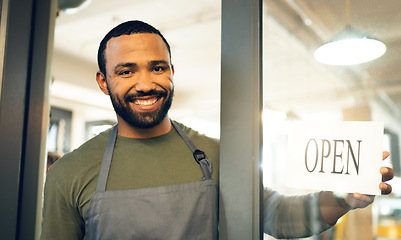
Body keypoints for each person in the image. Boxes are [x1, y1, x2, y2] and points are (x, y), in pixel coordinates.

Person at [40, 20, 394, 240]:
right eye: (126, 71)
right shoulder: (69, 174)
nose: (145, 83)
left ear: (172, 72)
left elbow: (278, 215)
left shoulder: (218, 153)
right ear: (104, 82)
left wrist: (345, 198)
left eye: (157, 68)